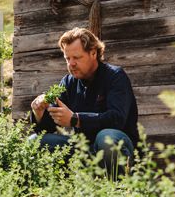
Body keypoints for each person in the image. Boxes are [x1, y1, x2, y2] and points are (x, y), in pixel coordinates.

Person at [29, 27, 139, 175]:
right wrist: (39, 112)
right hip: (82, 150)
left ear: (93, 53)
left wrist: (76, 119)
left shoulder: (115, 76)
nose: (71, 64)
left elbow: (116, 119)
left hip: (118, 149)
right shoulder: (68, 82)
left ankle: (119, 186)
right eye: (67, 58)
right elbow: (48, 128)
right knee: (35, 141)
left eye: (76, 58)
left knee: (106, 137)